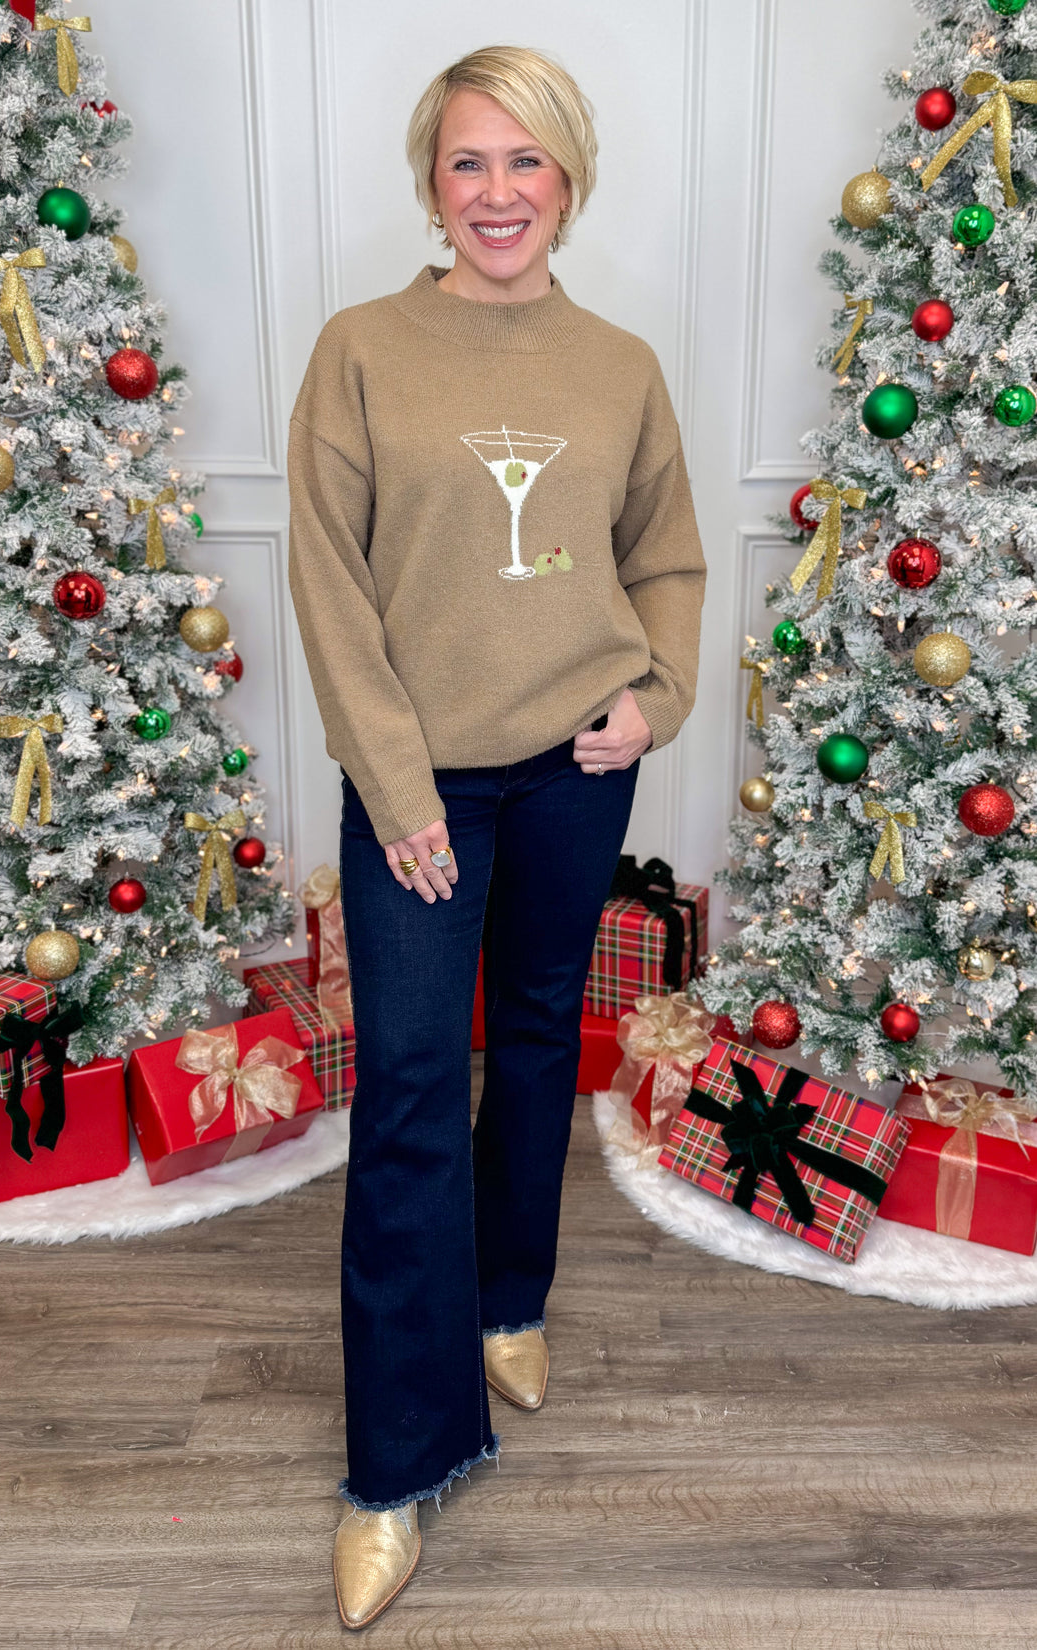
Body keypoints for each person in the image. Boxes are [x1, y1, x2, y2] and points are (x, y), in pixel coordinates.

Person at [285, 43, 707, 1630]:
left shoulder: (620, 363)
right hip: (427, 781)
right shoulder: (365, 352)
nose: (499, 194)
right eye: (470, 163)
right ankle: (395, 1469)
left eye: (528, 163)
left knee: (537, 1037)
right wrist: (398, 793)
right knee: (405, 1085)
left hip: (576, 767)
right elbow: (332, 585)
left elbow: (663, 556)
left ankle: (510, 1296)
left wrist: (648, 703)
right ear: (431, 182)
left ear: (570, 179)